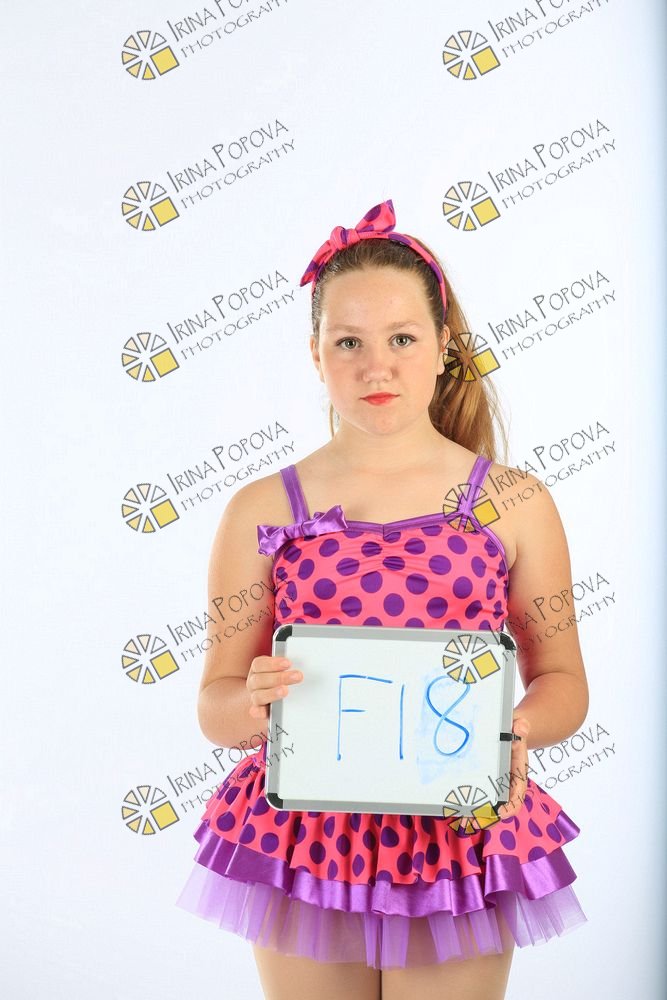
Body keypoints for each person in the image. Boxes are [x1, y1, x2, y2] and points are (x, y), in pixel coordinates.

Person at [175, 199, 589, 1000]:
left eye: (401, 338)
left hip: (459, 828)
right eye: (348, 343)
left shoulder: (513, 501)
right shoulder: (262, 508)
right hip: (306, 834)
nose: (376, 368)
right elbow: (215, 706)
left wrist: (512, 733)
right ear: (315, 354)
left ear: (443, 347)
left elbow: (563, 681)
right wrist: (254, 702)